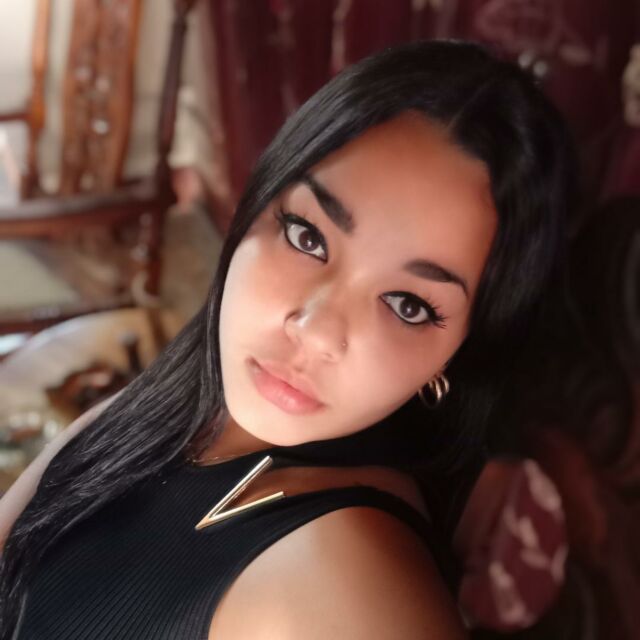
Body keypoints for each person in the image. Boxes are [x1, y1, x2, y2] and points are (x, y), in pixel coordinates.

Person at [0, 39, 574, 639]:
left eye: (408, 306)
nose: (315, 329)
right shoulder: (169, 408)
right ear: (256, 205)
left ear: (457, 354)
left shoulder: (346, 588)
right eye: (308, 237)